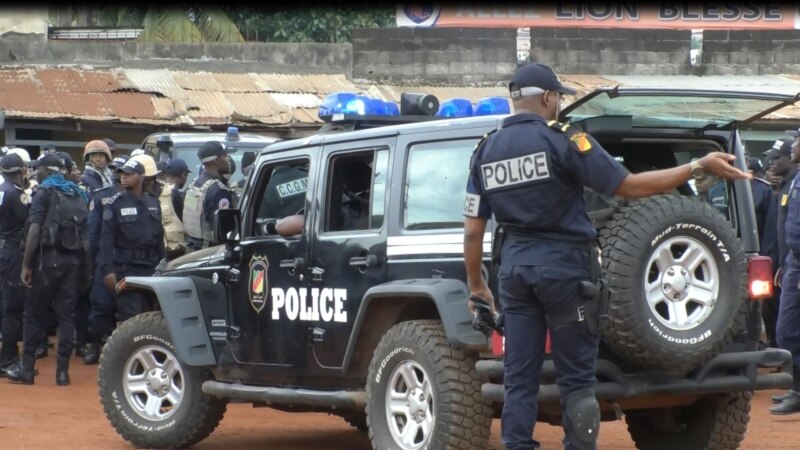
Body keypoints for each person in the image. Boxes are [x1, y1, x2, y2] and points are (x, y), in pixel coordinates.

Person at [462, 63, 750, 450]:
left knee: (520, 377)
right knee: (577, 380)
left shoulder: (485, 150)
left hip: (514, 271)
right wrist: (695, 166)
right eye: (558, 97)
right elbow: (628, 187)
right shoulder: (564, 139)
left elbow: (472, 230)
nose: (559, 104)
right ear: (547, 98)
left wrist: (478, 287)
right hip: (564, 270)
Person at [6, 153, 90, 386]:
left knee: (33, 314)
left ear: (47, 170)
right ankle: (62, 373)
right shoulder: (77, 193)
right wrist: (86, 269)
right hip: (72, 262)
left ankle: (27, 369)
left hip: (46, 261)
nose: (35, 172)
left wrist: (25, 264)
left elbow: (34, 231)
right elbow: (85, 236)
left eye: (38, 169)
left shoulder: (43, 193)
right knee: (66, 317)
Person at [97, 156, 165, 326]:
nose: (123, 177)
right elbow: (106, 241)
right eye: (122, 174)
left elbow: (159, 237)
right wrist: (107, 270)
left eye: (129, 174)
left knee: (153, 317)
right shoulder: (115, 204)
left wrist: (164, 264)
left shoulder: (153, 202)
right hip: (127, 269)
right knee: (132, 320)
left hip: (151, 269)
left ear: (141, 177)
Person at [82, 155, 128, 365]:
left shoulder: (140, 198)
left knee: (127, 308)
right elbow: (93, 232)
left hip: (129, 260)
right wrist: (91, 261)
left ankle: (123, 353)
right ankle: (95, 347)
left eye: (123, 172)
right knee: (100, 306)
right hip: (105, 258)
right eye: (117, 172)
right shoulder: (101, 197)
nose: (120, 176)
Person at [770, 130, 800, 414]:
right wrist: (784, 263)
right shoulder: (792, 182)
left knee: (788, 330)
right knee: (787, 331)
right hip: (793, 262)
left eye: (798, 141)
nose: (794, 146)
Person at [0, 153, 30, 375]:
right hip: (10, 251)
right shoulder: (16, 194)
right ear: (20, 172)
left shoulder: (1, 191)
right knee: (12, 307)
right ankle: (9, 359)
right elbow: (27, 222)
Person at [182, 141, 234, 251]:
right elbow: (224, 231)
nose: (228, 160)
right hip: (208, 252)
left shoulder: (195, 184)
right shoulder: (218, 190)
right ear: (216, 160)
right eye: (225, 156)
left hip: (191, 250)